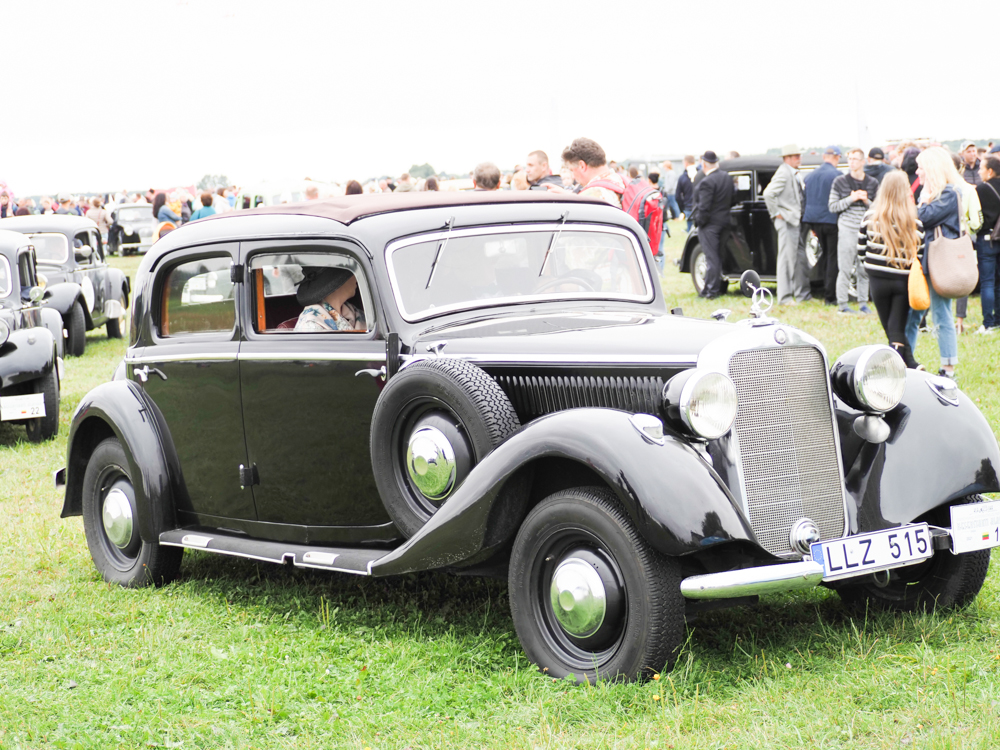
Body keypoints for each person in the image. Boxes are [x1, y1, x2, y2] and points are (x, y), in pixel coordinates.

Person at [904, 147, 963, 379]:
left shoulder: (949, 193)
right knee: (913, 313)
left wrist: (924, 198)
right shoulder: (931, 193)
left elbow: (922, 218)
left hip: (939, 265)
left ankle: (948, 368)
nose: (917, 171)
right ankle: (905, 361)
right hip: (923, 263)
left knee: (941, 314)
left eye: (921, 167)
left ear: (933, 169)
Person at [856, 170, 925, 368]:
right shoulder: (915, 222)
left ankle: (902, 366)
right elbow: (919, 255)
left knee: (890, 327)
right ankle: (909, 364)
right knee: (895, 327)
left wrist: (873, 266)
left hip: (877, 279)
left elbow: (861, 250)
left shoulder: (870, 217)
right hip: (903, 280)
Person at [829, 148, 878, 314]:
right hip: (846, 229)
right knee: (845, 268)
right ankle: (842, 305)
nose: (852, 162)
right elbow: (832, 206)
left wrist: (866, 200)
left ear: (863, 162)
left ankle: (863, 303)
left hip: (865, 229)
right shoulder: (839, 182)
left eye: (855, 159)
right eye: (849, 159)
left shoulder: (873, 183)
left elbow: (878, 208)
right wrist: (852, 198)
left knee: (864, 269)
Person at [763, 144, 811, 305]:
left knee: (800, 258)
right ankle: (784, 297)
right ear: (787, 158)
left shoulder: (793, 172)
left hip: (793, 221)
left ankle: (802, 294)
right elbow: (768, 193)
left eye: (799, 155)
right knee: (786, 260)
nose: (799, 158)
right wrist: (777, 213)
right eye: (796, 156)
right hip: (787, 221)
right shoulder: (784, 173)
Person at [691, 151, 734, 299]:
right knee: (718, 256)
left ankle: (711, 290)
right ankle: (713, 287)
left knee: (711, 257)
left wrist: (699, 222)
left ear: (704, 164)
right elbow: (732, 198)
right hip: (725, 222)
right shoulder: (727, 178)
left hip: (710, 225)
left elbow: (704, 207)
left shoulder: (707, 182)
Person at [803, 146, 842, 305]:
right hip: (831, 220)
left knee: (825, 255)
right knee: (833, 257)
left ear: (824, 157)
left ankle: (824, 288)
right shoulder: (837, 175)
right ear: (837, 157)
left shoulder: (810, 176)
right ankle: (830, 296)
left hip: (814, 221)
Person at [949, 152, 983, 334]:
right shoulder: (969, 189)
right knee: (962, 280)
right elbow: (977, 222)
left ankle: (943, 318)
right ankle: (959, 320)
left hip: (942, 238)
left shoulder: (939, 188)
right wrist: (969, 225)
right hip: (963, 236)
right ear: (961, 167)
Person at [545, 138, 625, 207]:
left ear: (582, 166)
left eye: (572, 170)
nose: (573, 176)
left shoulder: (592, 196)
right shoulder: (619, 180)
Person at [974, 155, 1000, 334]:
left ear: (990, 171)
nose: (979, 171)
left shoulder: (981, 189)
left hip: (986, 238)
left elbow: (976, 217)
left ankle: (988, 323)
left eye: (981, 168)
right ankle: (998, 319)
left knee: (987, 282)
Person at [295, 267, 365, 332]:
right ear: (339, 282)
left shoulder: (353, 312)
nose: (356, 277)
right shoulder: (311, 326)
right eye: (352, 273)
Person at [676, 156, 696, 231]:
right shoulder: (701, 174)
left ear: (686, 163)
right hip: (700, 206)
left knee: (690, 231)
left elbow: (677, 196)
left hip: (688, 206)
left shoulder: (682, 178)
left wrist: (682, 209)